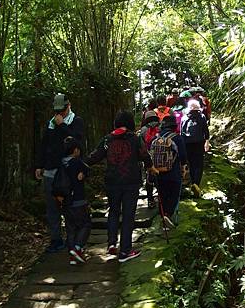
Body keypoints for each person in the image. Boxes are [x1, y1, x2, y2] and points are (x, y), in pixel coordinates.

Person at [86, 110, 157, 262]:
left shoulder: (108, 139)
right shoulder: (135, 139)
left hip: (112, 181)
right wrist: (151, 167)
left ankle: (112, 243)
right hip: (131, 182)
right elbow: (144, 155)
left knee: (113, 211)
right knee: (128, 215)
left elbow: (95, 156)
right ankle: (125, 251)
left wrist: (79, 164)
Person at [35, 93, 84, 253]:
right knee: (52, 208)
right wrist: (39, 165)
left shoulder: (76, 121)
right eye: (57, 110)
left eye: (62, 110)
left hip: (68, 172)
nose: (60, 113)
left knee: (71, 207)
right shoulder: (50, 123)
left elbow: (77, 143)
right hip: (50, 170)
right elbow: (44, 145)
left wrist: (63, 125)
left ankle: (75, 241)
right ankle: (56, 239)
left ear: (68, 105)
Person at [58, 137, 91, 265]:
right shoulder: (77, 162)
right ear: (76, 150)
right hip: (78, 200)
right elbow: (88, 168)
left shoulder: (61, 164)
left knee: (71, 228)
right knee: (85, 224)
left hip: (65, 201)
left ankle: (73, 255)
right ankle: (77, 248)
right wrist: (83, 172)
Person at [151, 115, 187, 228]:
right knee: (174, 194)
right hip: (173, 172)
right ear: (173, 126)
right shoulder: (177, 138)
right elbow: (183, 156)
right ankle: (167, 215)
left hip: (158, 172)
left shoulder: (156, 138)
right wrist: (184, 168)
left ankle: (164, 216)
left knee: (162, 195)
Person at [181, 99, 210, 197]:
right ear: (198, 107)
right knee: (199, 164)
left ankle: (193, 182)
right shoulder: (201, 116)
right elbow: (206, 130)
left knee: (191, 164)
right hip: (198, 143)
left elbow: (181, 132)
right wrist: (207, 141)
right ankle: (196, 184)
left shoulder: (184, 117)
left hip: (187, 143)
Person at [140, 110, 160, 209]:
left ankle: (150, 199)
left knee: (149, 178)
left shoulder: (143, 129)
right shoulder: (160, 127)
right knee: (160, 176)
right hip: (160, 156)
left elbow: (141, 145)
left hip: (148, 156)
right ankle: (161, 198)